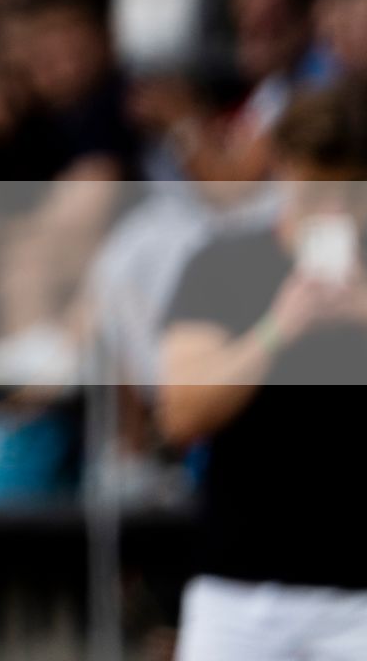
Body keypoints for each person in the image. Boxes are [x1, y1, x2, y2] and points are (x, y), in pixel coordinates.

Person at [158, 86, 367, 659]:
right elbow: (182, 413)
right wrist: (277, 328)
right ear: (284, 173)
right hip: (239, 594)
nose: (332, 211)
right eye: (315, 190)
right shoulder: (223, 264)